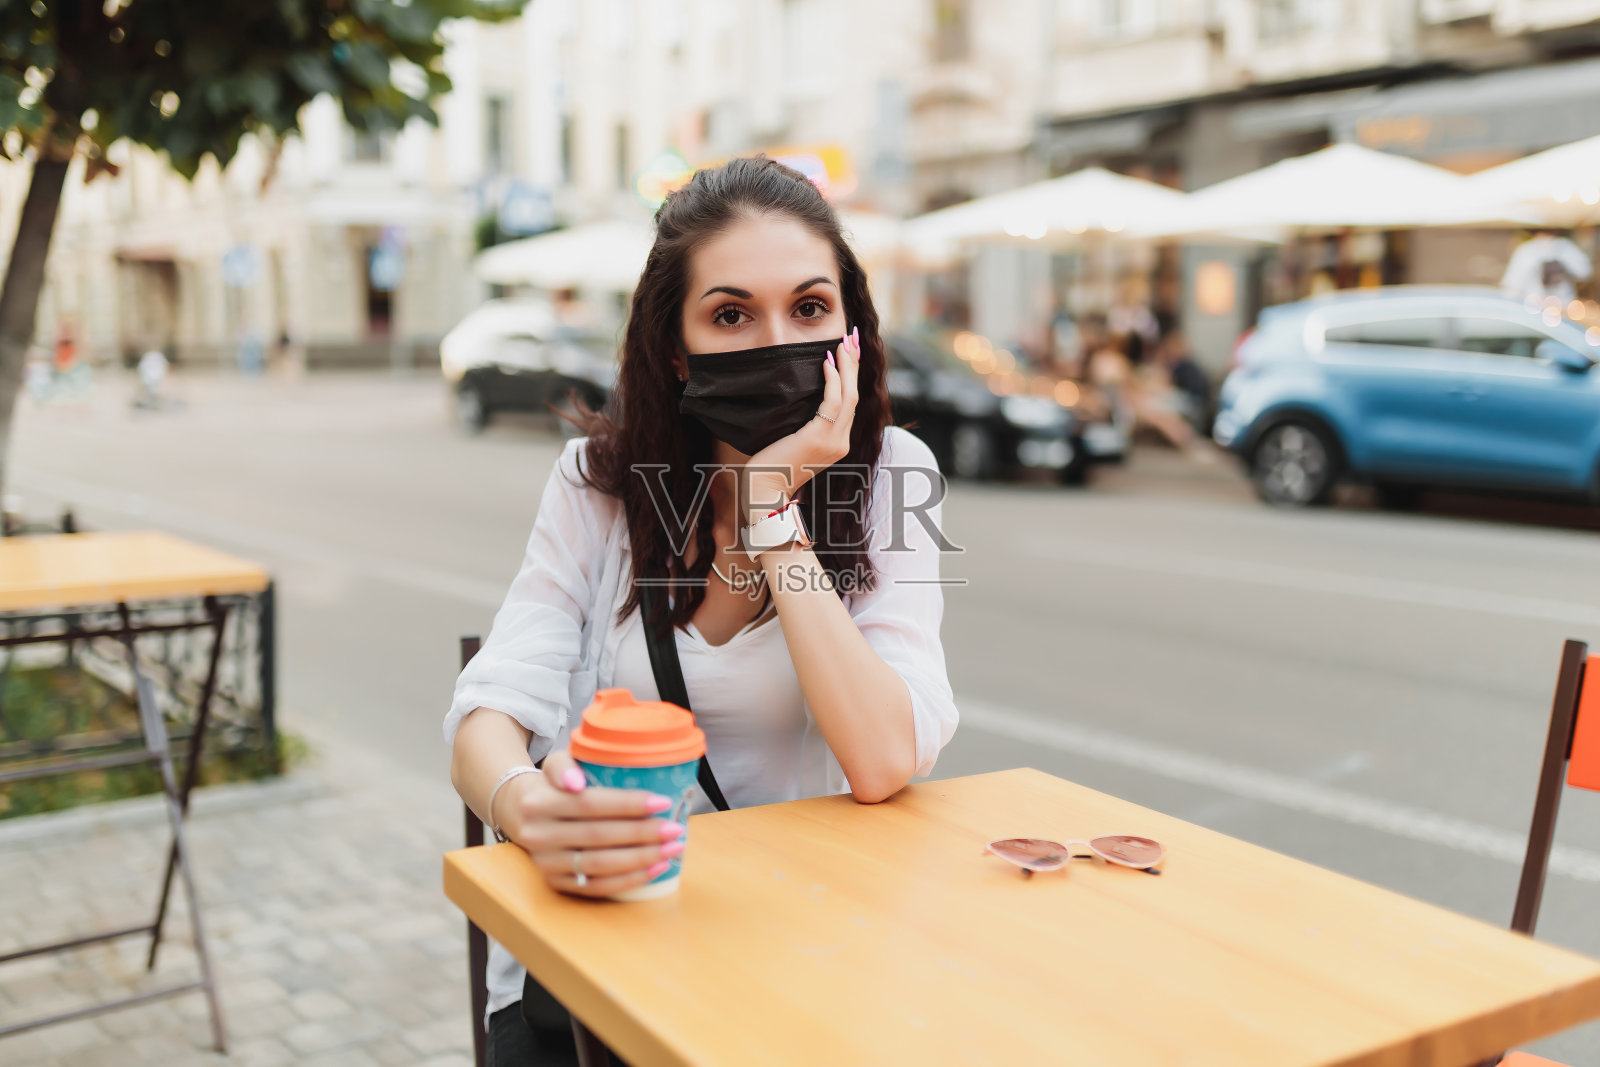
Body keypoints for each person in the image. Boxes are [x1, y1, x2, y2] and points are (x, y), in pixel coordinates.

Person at [445, 156, 960, 1067]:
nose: (777, 340)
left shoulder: (892, 479)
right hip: (602, 969)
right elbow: (490, 712)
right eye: (732, 314)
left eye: (808, 309)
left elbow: (883, 757)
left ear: (850, 327)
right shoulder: (594, 487)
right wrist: (528, 807)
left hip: (802, 953)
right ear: (677, 351)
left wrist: (773, 512)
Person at [1500, 228, 1593, 307]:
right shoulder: (1526, 250)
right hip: (1535, 308)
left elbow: (1584, 273)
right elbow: (1513, 284)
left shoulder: (1566, 248)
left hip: (1563, 308)